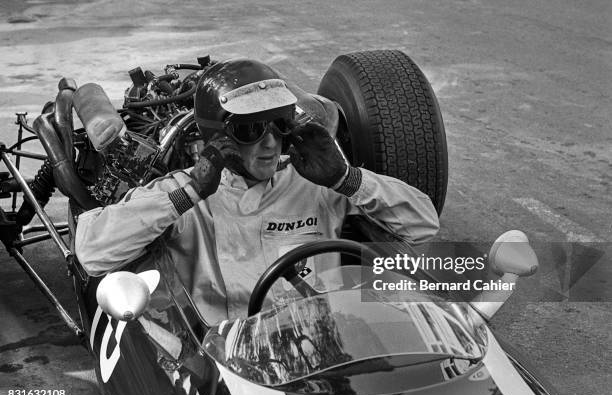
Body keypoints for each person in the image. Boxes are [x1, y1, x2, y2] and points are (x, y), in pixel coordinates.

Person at [75, 58, 440, 325]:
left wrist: (347, 178)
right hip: (229, 368)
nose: (270, 145)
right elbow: (92, 254)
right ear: (216, 136)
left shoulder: (315, 183)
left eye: (279, 125)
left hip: (322, 350)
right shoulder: (185, 194)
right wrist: (189, 194)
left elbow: (423, 226)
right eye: (251, 130)